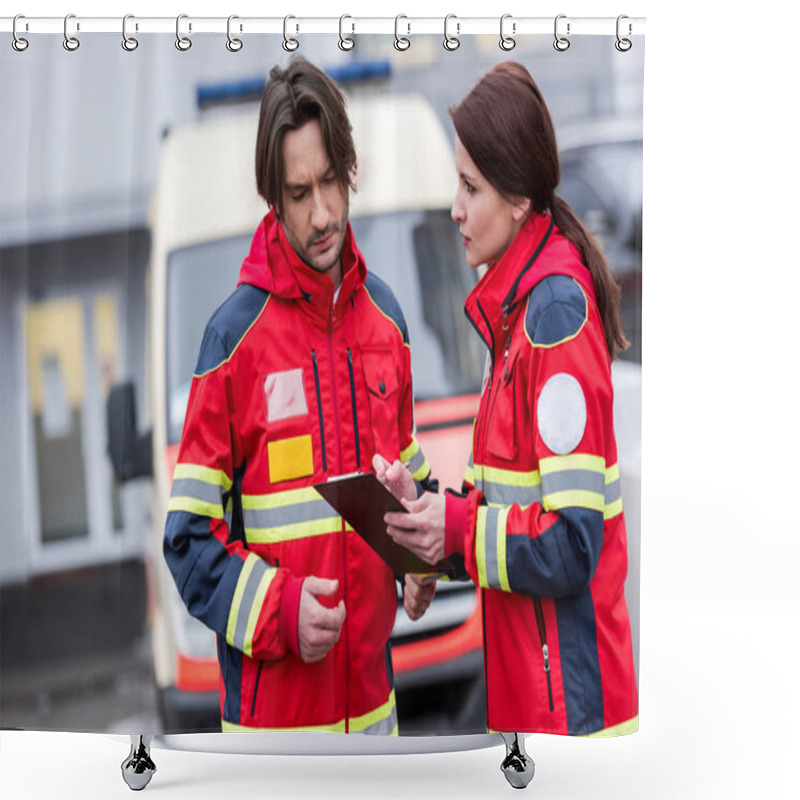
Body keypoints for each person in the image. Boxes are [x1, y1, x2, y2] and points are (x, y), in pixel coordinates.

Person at [163, 56, 436, 735]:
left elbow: (409, 485)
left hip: (378, 724)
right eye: (298, 193)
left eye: (329, 183)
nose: (321, 214)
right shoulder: (231, 342)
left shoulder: (389, 322)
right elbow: (188, 540)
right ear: (272, 200)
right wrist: (276, 610)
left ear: (350, 170)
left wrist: (423, 559)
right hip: (273, 742)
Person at [383, 61, 639, 738]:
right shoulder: (517, 320)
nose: (455, 209)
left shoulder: (551, 318)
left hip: (573, 716)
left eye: (470, 187)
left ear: (520, 198)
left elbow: (571, 545)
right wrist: (424, 527)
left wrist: (456, 530)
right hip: (541, 706)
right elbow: (505, 516)